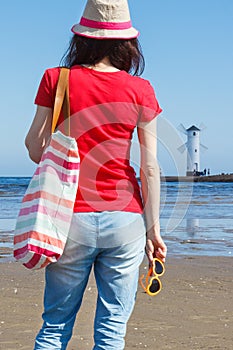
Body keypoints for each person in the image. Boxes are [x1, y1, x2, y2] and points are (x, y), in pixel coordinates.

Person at [25, 0, 167, 349]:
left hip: (69, 216)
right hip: (126, 219)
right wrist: (154, 230)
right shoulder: (140, 89)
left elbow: (33, 147)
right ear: (128, 43)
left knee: (55, 326)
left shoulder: (56, 79)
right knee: (112, 331)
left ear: (81, 37)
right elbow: (149, 168)